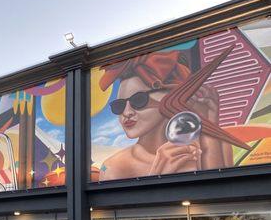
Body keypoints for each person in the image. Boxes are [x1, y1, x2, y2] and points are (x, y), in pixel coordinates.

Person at [98, 50, 232, 181]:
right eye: (119, 106)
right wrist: (156, 179)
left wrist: (208, 124)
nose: (126, 113)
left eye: (138, 100)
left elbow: (226, 195)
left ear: (172, 95)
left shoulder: (218, 145)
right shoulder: (113, 167)